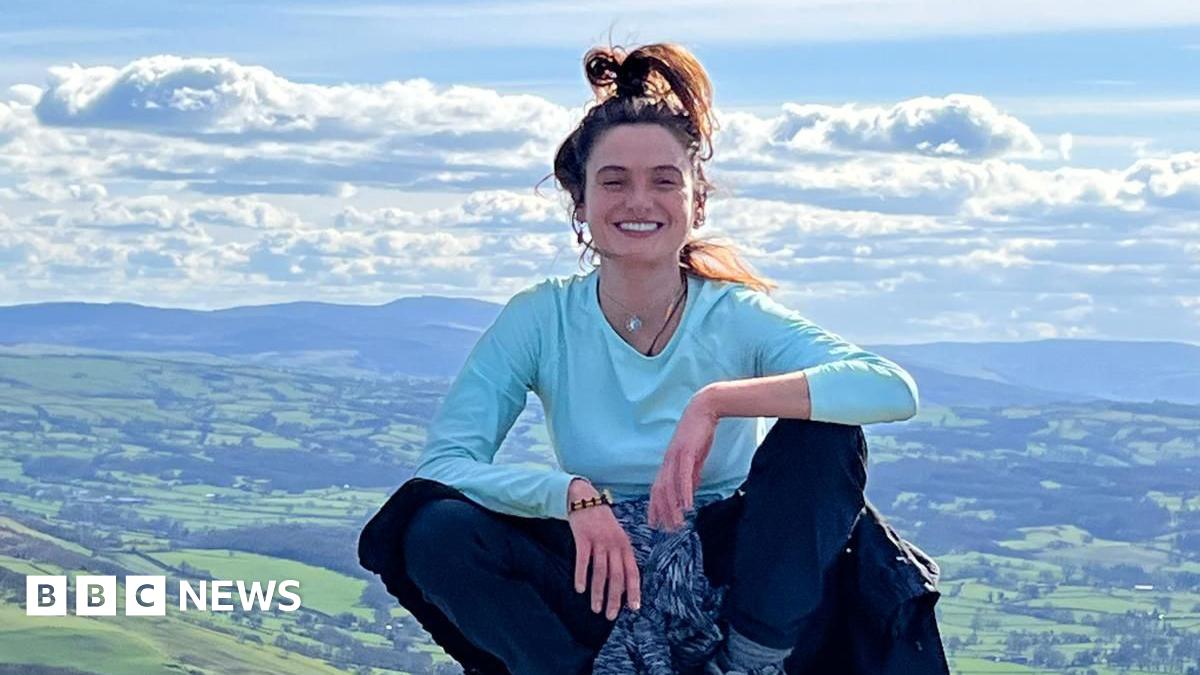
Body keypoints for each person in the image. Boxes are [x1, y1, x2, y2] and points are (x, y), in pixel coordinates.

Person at [358, 42, 947, 675]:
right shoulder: (539, 317)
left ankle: (750, 662)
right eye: (614, 182)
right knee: (434, 530)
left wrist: (715, 402)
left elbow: (889, 387)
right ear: (580, 203)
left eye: (664, 181)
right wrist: (571, 496)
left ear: (697, 203)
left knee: (825, 434)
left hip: (738, 575)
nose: (639, 201)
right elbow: (446, 465)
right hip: (596, 571)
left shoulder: (735, 314)